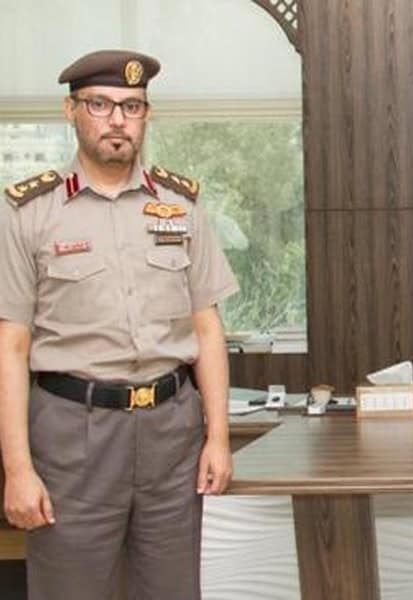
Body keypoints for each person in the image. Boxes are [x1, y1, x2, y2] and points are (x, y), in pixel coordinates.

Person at [0, 49, 239, 599]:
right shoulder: (29, 212)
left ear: (145, 115)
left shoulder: (180, 205)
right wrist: (17, 469)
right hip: (72, 434)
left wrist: (219, 439)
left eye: (132, 107)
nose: (117, 120)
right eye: (100, 104)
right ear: (71, 111)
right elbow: (11, 346)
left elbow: (207, 329)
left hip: (171, 434)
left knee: (173, 590)